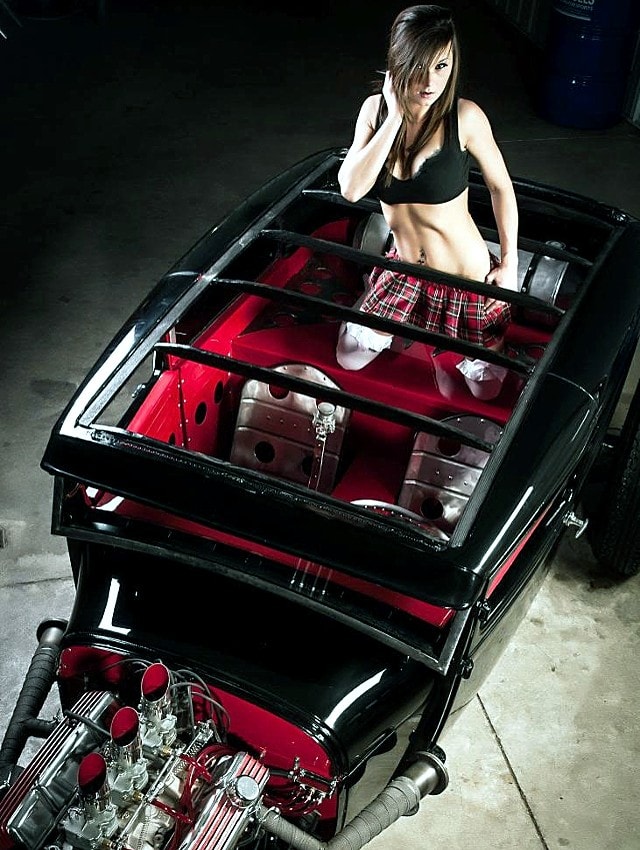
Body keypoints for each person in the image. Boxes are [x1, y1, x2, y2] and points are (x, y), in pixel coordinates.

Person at [336, 4, 518, 396]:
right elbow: (350, 189)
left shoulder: (465, 117)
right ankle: (389, 308)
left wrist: (510, 262)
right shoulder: (375, 111)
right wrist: (395, 117)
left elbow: (501, 187)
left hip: (464, 280)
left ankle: (444, 346)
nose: (431, 81)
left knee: (481, 391)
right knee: (348, 357)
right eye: (420, 66)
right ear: (398, 62)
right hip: (405, 271)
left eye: (442, 66)